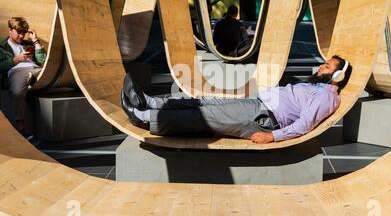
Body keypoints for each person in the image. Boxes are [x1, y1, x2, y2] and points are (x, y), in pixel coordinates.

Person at [121, 56, 352, 144]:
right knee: (202, 102)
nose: (322, 66)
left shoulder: (327, 96)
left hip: (263, 118)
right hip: (257, 104)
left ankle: (143, 117)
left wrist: (272, 136)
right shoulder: (317, 86)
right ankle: (150, 102)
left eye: (328, 66)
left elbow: (305, 124)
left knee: (204, 117)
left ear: (338, 75)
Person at [0, 17, 47, 133]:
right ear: (10, 30)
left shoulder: (28, 44)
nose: (21, 36)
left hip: (35, 69)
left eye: (24, 33)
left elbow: (42, 60)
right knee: (17, 92)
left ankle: (30, 78)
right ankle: (20, 124)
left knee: (49, 75)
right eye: (19, 32)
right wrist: (15, 60)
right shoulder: (1, 47)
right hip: (16, 71)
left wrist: (35, 41)